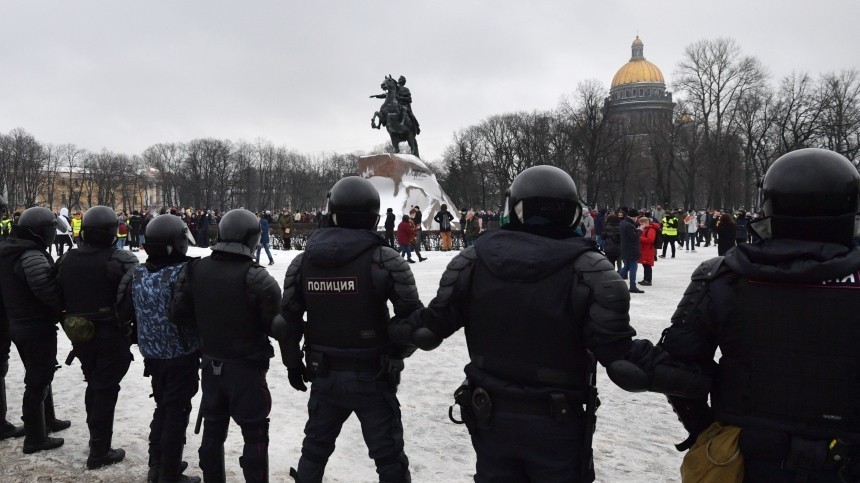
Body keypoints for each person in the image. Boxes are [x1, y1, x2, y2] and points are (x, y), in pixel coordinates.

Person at [389, 165, 684, 482]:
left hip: (490, 411)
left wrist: (365, 331)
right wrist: (691, 373)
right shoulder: (591, 270)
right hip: (557, 416)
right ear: (572, 212)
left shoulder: (472, 261)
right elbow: (621, 358)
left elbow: (429, 328)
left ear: (514, 209)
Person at [659, 148, 860, 481]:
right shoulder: (724, 274)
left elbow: (677, 367)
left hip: (749, 454)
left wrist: (706, 429)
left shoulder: (723, 276)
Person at [275, 176, 422, 482]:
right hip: (373, 373)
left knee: (314, 449)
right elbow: (412, 321)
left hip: (324, 374)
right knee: (389, 457)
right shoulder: (385, 259)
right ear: (373, 216)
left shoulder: (303, 262)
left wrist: (292, 364)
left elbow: (286, 322)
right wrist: (396, 353)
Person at [170, 208, 282, 483]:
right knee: (254, 433)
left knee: (213, 430)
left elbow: (178, 314)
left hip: (212, 362)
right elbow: (277, 326)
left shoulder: (195, 269)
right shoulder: (257, 277)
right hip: (245, 367)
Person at [117, 214, 201, 483]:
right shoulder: (185, 273)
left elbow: (125, 311)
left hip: (152, 354)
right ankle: (168, 473)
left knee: (163, 408)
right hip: (181, 354)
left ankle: (158, 464)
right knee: (176, 413)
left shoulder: (138, 272)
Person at [56, 205, 139, 469]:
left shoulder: (68, 259)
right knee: (103, 389)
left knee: (95, 384)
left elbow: (54, 292)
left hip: (79, 333)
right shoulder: (119, 260)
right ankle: (99, 450)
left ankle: (98, 443)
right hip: (110, 334)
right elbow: (133, 298)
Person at [0, 207, 69, 454]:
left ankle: (47, 420)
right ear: (43, 232)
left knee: (42, 372)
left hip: (17, 322)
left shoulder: (9, 249)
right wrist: (64, 307)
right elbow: (46, 290)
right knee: (38, 379)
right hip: (34, 325)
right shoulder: (30, 255)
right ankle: (36, 437)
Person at [617, 208, 644, 293]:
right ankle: (632, 286)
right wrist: (640, 230)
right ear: (634, 217)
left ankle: (614, 280)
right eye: (636, 217)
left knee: (627, 267)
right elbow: (634, 237)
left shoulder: (624, 222)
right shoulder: (628, 225)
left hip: (626, 248)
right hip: (631, 249)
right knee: (633, 267)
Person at [638, 216, 658, 286]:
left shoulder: (651, 229)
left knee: (647, 265)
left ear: (646, 223)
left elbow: (650, 240)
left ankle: (648, 280)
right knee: (645, 265)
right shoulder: (646, 229)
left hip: (648, 249)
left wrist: (639, 238)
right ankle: (646, 279)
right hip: (644, 249)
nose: (640, 225)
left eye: (641, 224)